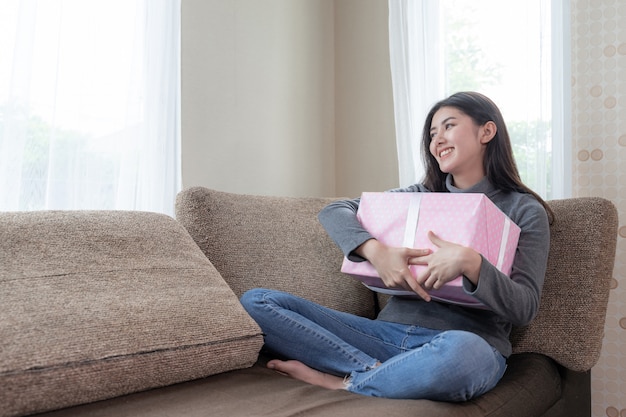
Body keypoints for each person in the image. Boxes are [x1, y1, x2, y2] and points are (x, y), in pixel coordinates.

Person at [240, 91, 552, 401]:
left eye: (448, 126)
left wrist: (472, 263)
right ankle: (377, 372)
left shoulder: (523, 210)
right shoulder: (416, 197)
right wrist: (378, 252)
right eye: (432, 134)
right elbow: (335, 211)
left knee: (466, 355)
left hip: (462, 343)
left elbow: (524, 307)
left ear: (487, 131)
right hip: (382, 336)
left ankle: (344, 383)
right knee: (257, 303)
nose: (437, 140)